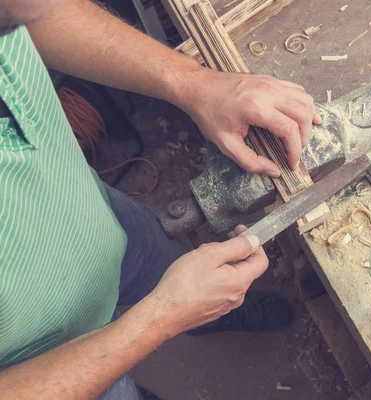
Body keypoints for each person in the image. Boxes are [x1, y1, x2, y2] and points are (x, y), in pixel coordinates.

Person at [0, 0, 321, 398]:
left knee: (170, 264)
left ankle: (210, 316)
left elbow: (39, 11)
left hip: (91, 212)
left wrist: (196, 85)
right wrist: (160, 319)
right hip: (49, 362)